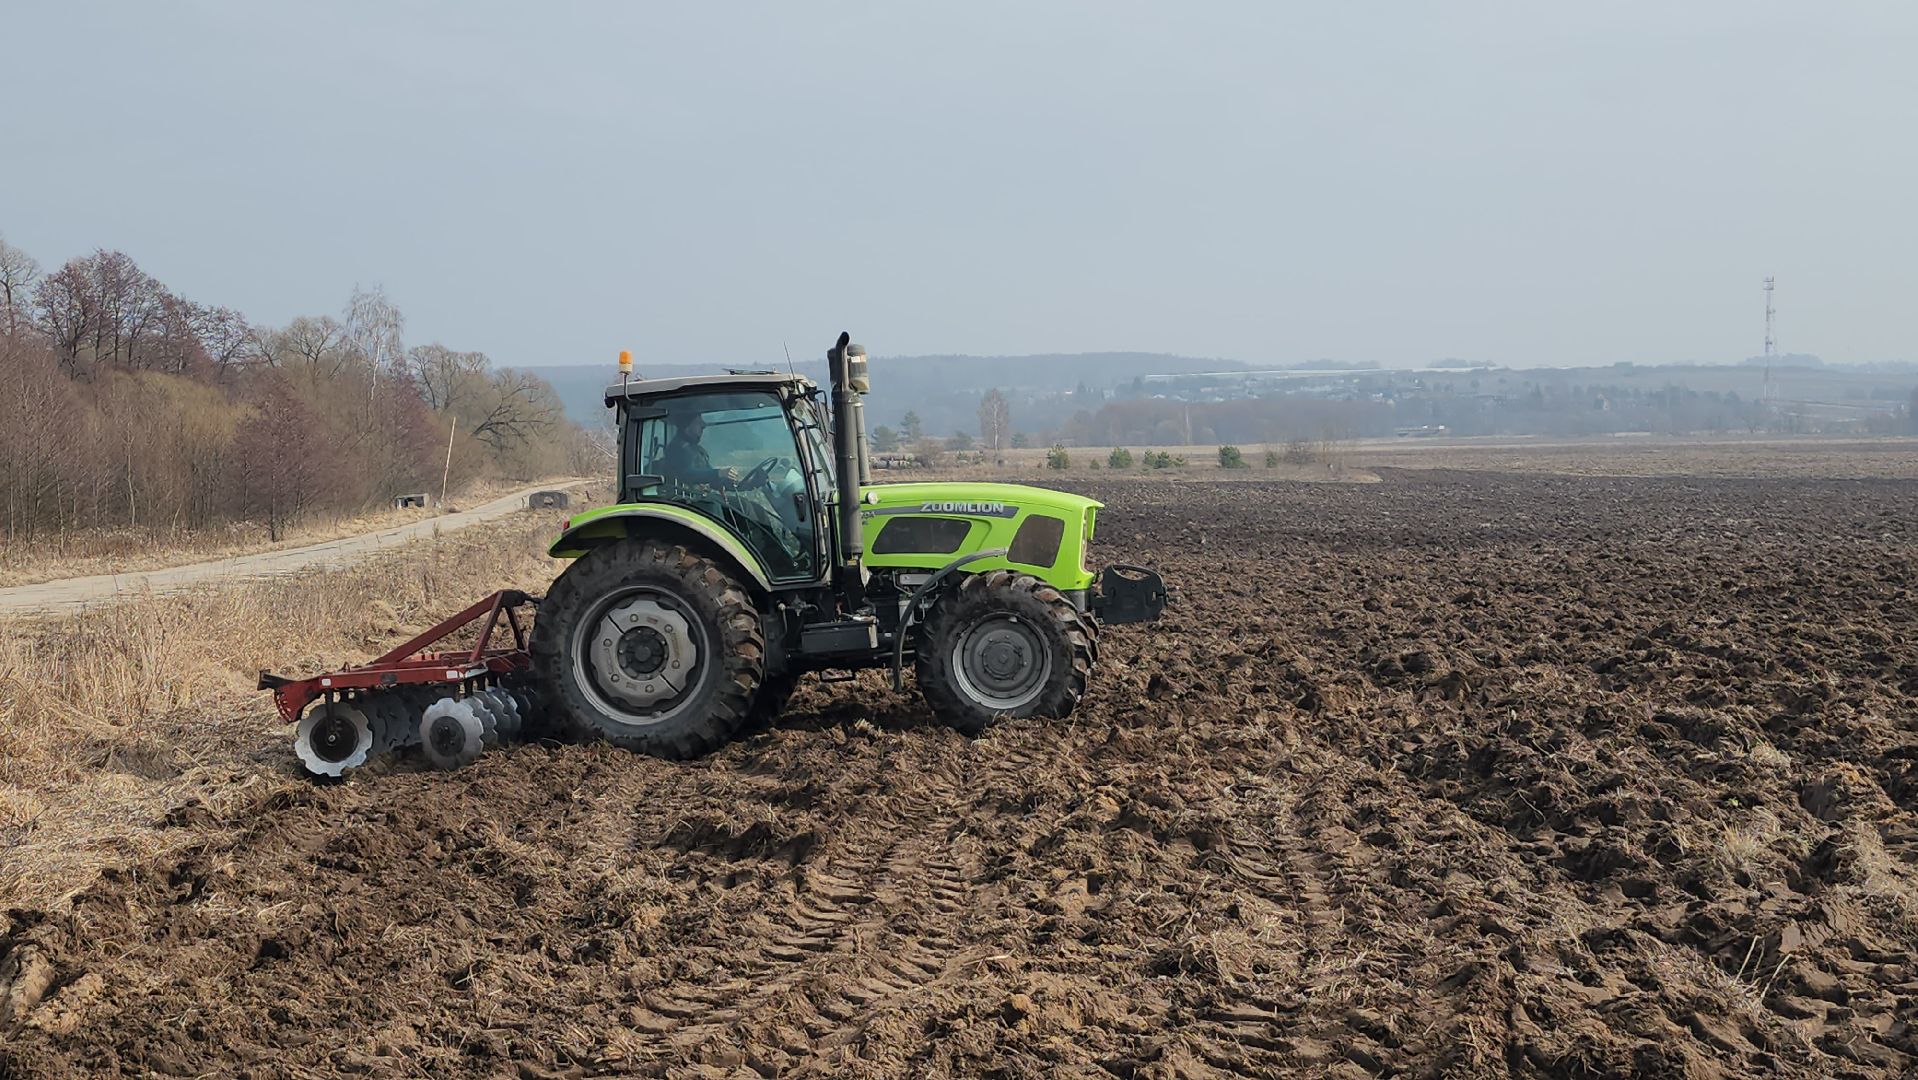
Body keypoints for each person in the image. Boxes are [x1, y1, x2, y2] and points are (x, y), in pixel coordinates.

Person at [658, 413, 738, 488]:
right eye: (698, 422)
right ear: (687, 426)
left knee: (744, 503)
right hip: (683, 500)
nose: (703, 425)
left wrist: (736, 484)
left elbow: (711, 478)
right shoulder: (677, 449)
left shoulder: (698, 451)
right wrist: (718, 473)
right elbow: (687, 474)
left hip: (699, 498)